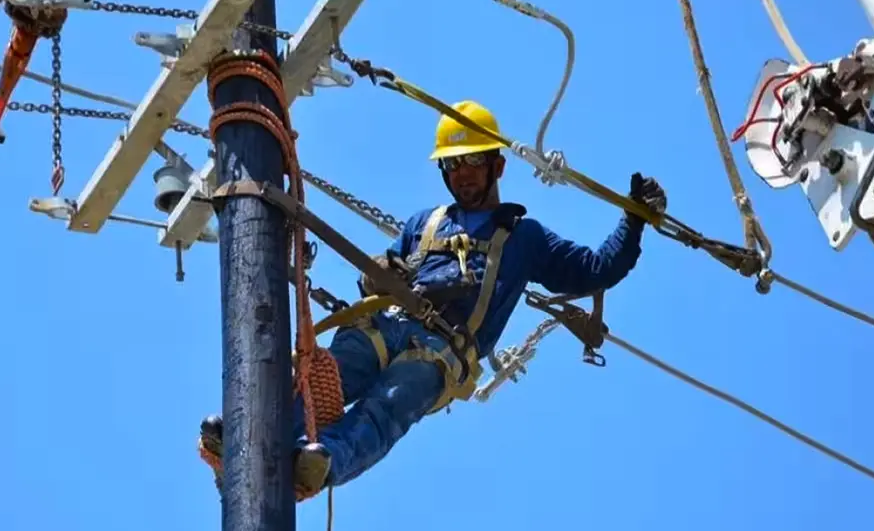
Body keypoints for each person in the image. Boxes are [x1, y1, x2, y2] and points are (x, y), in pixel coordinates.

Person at [198, 99, 668, 496]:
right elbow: (381, 278)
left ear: (497, 165)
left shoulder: (523, 239)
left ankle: (320, 462)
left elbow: (593, 270)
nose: (461, 174)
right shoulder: (423, 224)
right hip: (384, 327)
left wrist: (635, 221)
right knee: (323, 382)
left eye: (472, 162)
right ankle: (247, 432)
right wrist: (379, 278)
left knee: (388, 408)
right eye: (452, 164)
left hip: (439, 352)